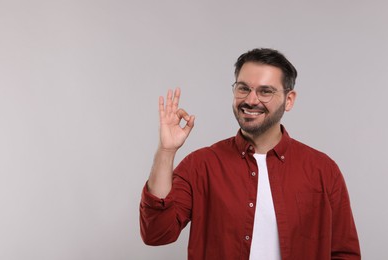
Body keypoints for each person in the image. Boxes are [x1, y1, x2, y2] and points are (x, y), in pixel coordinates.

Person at [140, 48, 361, 259]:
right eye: (243, 88)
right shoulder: (201, 165)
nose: (251, 100)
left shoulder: (322, 170)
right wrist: (166, 151)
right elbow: (156, 232)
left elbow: (344, 253)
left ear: (289, 99)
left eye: (265, 91)